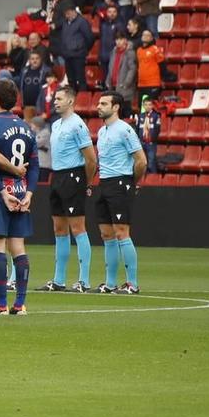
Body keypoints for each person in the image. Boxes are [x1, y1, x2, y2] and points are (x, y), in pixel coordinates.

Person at [0, 79, 37, 315]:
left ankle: (1, 304)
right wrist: (29, 194)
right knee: (18, 246)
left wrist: (2, 192)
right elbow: (34, 165)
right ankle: (20, 304)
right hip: (20, 190)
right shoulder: (26, 127)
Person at [93, 90, 147, 294]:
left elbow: (141, 160)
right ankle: (110, 282)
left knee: (122, 232)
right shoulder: (102, 131)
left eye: (103, 103)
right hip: (104, 182)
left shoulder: (124, 130)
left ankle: (132, 283)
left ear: (115, 107)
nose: (98, 106)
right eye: (99, 103)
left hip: (120, 183)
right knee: (106, 233)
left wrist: (132, 181)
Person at [45, 85, 96, 293]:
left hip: (73, 175)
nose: (55, 101)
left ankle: (84, 280)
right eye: (55, 98)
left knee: (78, 228)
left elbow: (91, 159)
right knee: (59, 228)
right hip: (57, 175)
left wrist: (87, 182)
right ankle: (59, 279)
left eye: (59, 98)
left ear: (71, 101)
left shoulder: (78, 125)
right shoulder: (56, 124)